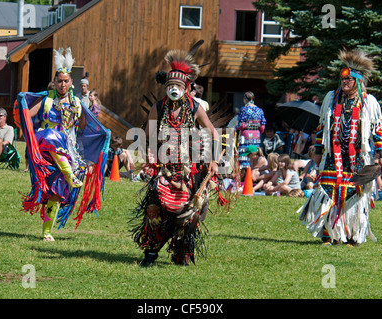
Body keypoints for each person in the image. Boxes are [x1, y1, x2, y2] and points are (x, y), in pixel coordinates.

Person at [130, 44, 224, 267]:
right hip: (163, 167)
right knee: (154, 210)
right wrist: (147, 156)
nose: (174, 88)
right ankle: (151, 253)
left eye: (178, 85)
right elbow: (145, 137)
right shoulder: (159, 108)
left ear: (186, 86)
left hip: (187, 170)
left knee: (188, 212)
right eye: (170, 84)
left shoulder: (194, 108)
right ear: (165, 86)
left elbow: (214, 134)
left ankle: (182, 252)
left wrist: (212, 161)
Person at [298, 49, 382, 246]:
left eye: (349, 80)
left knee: (353, 194)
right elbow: (322, 127)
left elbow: (378, 130)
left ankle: (351, 235)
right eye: (343, 79)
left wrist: (381, 156)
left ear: (358, 81)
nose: (345, 82)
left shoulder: (368, 102)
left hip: (357, 159)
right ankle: (329, 235)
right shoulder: (331, 98)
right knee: (328, 191)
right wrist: (318, 151)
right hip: (332, 157)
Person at [16, 48, 111, 241]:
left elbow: (83, 127)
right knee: (53, 135)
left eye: (66, 81)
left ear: (71, 83)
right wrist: (22, 102)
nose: (62, 84)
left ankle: (47, 232)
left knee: (56, 193)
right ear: (55, 82)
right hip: (45, 144)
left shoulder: (76, 102)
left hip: (68, 151)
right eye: (59, 81)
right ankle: (70, 176)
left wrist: (95, 122)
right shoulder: (46, 98)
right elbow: (28, 114)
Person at [236, 91, 266, 168]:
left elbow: (241, 125)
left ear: (245, 99)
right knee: (255, 152)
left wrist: (237, 128)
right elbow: (262, 126)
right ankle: (255, 168)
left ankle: (244, 172)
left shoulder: (244, 109)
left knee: (245, 153)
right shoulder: (260, 110)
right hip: (257, 135)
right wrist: (258, 132)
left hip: (246, 134)